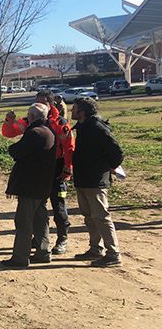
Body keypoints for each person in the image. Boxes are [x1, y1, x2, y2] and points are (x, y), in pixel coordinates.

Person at [2, 91, 74, 255]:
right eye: (37, 101)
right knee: (38, 207)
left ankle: (62, 238)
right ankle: (39, 240)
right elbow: (9, 132)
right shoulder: (30, 120)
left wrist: (68, 168)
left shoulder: (59, 123)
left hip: (58, 168)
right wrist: (9, 121)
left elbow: (70, 147)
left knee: (58, 204)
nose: (40, 104)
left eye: (43, 102)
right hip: (38, 170)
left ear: (51, 104)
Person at [70, 97, 124, 267]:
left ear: (82, 112)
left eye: (74, 108)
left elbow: (117, 153)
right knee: (89, 217)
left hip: (95, 181)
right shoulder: (83, 127)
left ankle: (113, 254)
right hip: (83, 179)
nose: (71, 110)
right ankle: (95, 248)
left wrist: (106, 168)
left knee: (101, 216)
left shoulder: (97, 128)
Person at [2, 104, 57, 268]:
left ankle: (20, 257)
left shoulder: (34, 133)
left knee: (24, 221)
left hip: (30, 184)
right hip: (43, 183)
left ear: (32, 117)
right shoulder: (49, 132)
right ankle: (43, 251)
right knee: (40, 219)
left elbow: (16, 151)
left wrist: (13, 148)